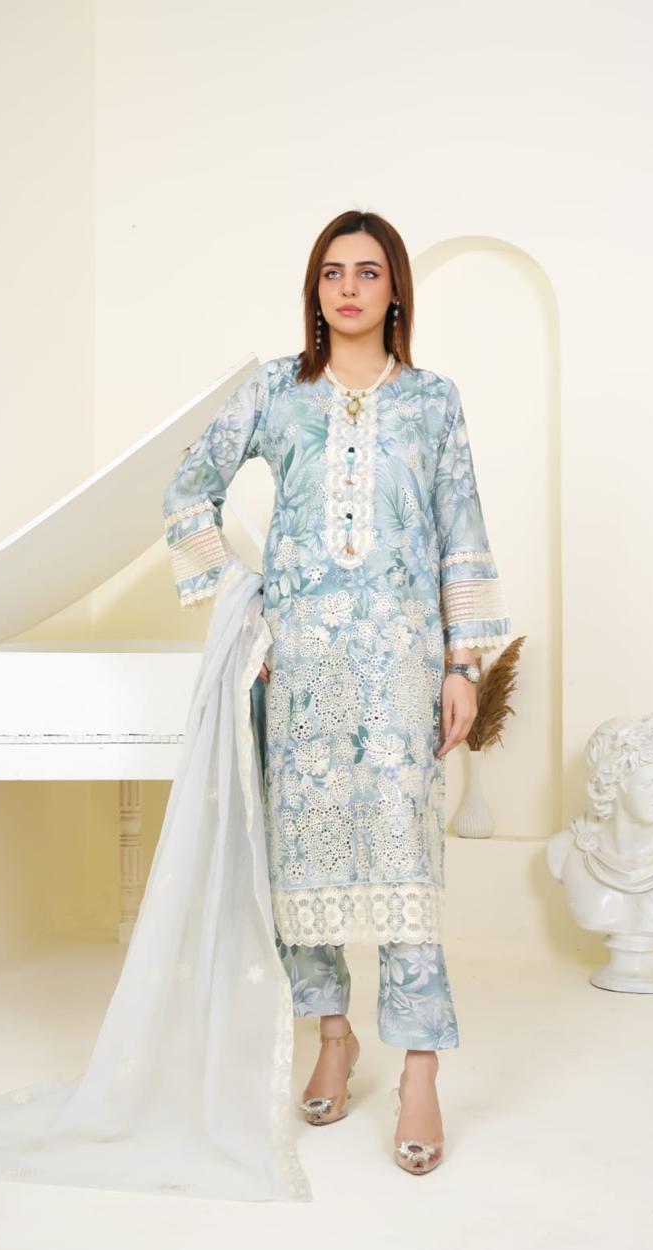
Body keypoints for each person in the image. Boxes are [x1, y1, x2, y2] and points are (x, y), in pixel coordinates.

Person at [162, 208, 512, 1175]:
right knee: (300, 876)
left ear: (396, 287)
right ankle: (330, 1036)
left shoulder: (433, 402)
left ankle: (419, 1071)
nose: (348, 288)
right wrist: (247, 610)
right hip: (303, 670)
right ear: (313, 291)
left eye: (366, 271)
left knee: (406, 877)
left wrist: (462, 667)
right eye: (330, 273)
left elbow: (461, 533)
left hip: (403, 669)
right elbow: (186, 488)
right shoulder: (277, 392)